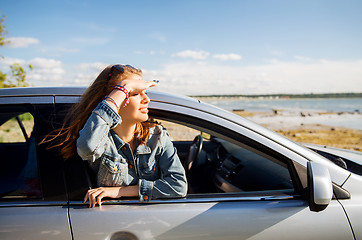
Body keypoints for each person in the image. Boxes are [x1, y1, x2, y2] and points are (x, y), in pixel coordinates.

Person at [53, 64, 187, 207]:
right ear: (116, 99)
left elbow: (178, 186)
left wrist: (120, 191)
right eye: (135, 93)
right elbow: (87, 147)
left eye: (145, 92)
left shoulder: (157, 135)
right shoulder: (102, 139)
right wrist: (123, 87)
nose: (146, 99)